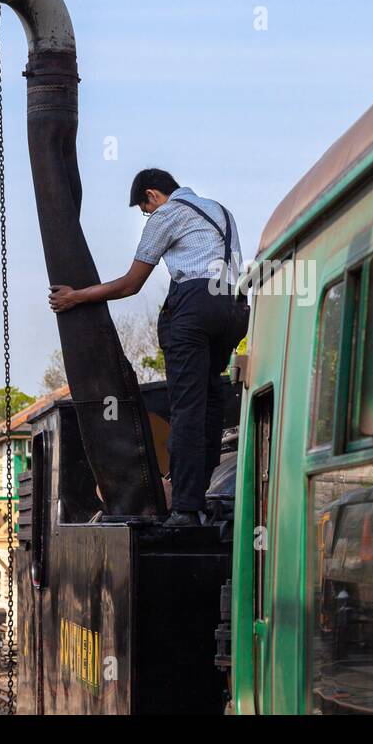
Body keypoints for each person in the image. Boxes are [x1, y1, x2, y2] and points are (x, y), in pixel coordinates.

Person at [48, 168, 248, 526]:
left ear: (153, 195)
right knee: (209, 400)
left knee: (187, 407)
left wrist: (77, 297)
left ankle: (187, 508)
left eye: (145, 209)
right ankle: (201, 498)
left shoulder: (168, 214)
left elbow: (131, 283)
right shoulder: (220, 211)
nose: (148, 216)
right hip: (233, 308)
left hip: (197, 304)